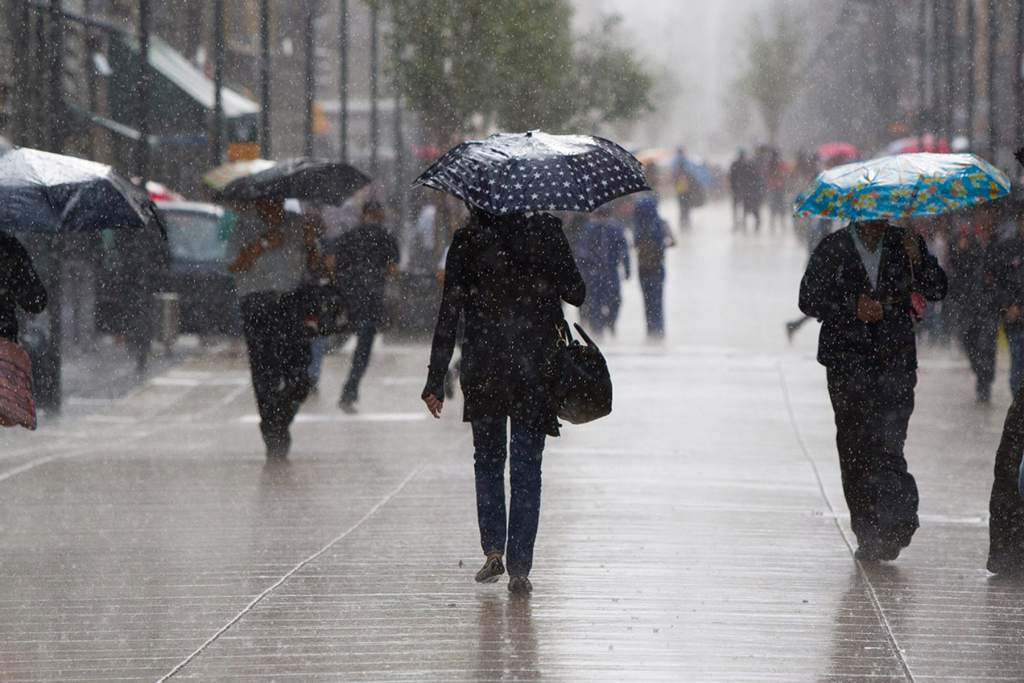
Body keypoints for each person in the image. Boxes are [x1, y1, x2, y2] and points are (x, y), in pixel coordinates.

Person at [421, 209, 585, 595]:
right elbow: (576, 292)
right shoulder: (546, 232)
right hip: (535, 366)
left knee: (489, 459)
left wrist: (435, 376)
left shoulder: (467, 240)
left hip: (485, 365)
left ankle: (494, 547)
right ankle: (520, 566)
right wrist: (552, 262)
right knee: (527, 465)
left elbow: (449, 312)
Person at [799, 219, 947, 561]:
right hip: (847, 364)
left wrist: (919, 261)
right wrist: (853, 308)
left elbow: (938, 289)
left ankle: (896, 522)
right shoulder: (833, 247)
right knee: (855, 448)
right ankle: (867, 531)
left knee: (889, 444)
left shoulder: (906, 244)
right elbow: (808, 299)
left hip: (895, 361)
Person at [228, 198, 315, 459]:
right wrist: (264, 244)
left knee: (300, 375)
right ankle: (271, 430)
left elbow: (318, 265)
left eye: (276, 199)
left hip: (291, 302)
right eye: (266, 200)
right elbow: (233, 265)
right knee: (264, 373)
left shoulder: (297, 224)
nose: (271, 205)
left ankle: (279, 419)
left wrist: (312, 243)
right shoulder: (245, 226)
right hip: (257, 303)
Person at [329, 201, 400, 413]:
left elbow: (331, 262)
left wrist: (342, 282)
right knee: (363, 347)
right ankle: (349, 390)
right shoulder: (386, 237)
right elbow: (393, 268)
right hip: (371, 299)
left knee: (341, 336)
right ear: (379, 214)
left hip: (349, 297)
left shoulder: (350, 236)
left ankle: (342, 388)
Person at [950, 208, 1000, 403]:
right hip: (968, 304)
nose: (984, 218)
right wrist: (960, 251)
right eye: (980, 215)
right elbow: (955, 267)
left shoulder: (998, 242)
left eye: (988, 214)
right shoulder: (966, 240)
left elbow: (1002, 271)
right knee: (969, 341)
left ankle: (985, 382)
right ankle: (980, 371)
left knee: (987, 344)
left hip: (990, 305)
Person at [577, 206, 630, 336]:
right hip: (594, 272)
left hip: (609, 271)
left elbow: (623, 249)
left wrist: (627, 268)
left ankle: (608, 323)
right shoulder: (589, 229)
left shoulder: (615, 228)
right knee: (595, 301)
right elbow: (582, 251)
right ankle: (598, 329)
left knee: (614, 300)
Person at [632, 192, 673, 338]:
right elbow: (673, 242)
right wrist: (661, 245)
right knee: (657, 299)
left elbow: (635, 243)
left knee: (647, 300)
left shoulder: (638, 226)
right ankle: (659, 330)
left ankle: (650, 330)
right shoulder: (662, 223)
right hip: (658, 267)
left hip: (643, 267)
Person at [0, 231, 47, 341]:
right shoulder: (10, 247)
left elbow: (37, 301)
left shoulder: (10, 248)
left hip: (4, 338)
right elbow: (37, 302)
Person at [997, 207, 1024, 395]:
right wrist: (1009, 306)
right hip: (1015, 322)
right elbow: (1002, 281)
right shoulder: (1009, 248)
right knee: (1017, 366)